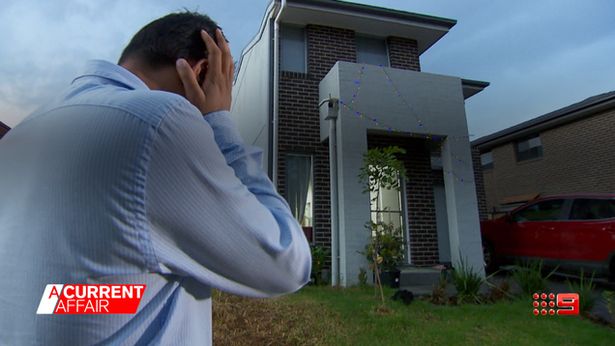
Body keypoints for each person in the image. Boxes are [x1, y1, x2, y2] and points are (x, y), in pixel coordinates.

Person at [0, 11, 311, 345]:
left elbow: (59, 297)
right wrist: (218, 121)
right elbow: (286, 262)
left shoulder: (19, 138)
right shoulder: (158, 121)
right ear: (202, 72)